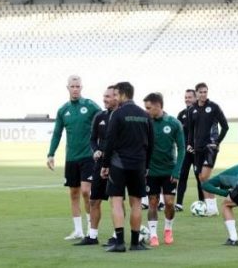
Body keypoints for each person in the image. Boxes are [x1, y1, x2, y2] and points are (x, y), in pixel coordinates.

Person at [46, 75, 101, 241]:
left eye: (78, 86)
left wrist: (101, 145)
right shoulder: (63, 110)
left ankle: (91, 229)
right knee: (74, 193)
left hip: (88, 156)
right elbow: (57, 133)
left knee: (86, 191)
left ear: (81, 87)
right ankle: (78, 230)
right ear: (67, 88)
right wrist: (51, 154)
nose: (75, 89)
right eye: (72, 86)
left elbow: (105, 121)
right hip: (71, 158)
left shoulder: (90, 105)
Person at [100, 81, 153, 253]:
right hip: (139, 165)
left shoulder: (117, 114)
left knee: (116, 202)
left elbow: (109, 141)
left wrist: (105, 164)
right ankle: (136, 243)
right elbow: (152, 143)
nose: (115, 97)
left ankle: (120, 242)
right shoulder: (145, 115)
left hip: (119, 164)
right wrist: (146, 165)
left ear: (123, 94)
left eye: (116, 94)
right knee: (136, 203)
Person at [76, 85, 118, 246]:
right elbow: (93, 139)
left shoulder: (121, 117)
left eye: (108, 96)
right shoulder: (99, 116)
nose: (104, 99)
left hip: (116, 164)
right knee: (94, 200)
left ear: (116, 97)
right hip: (100, 164)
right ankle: (92, 236)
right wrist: (96, 150)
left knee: (116, 201)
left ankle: (116, 235)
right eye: (104, 96)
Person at [142, 92, 184, 247]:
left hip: (169, 171)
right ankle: (153, 235)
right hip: (151, 171)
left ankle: (168, 229)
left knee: (169, 203)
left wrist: (177, 170)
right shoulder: (146, 122)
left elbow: (182, 148)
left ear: (158, 106)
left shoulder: (174, 123)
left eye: (148, 108)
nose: (146, 111)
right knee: (152, 202)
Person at [186, 83, 228, 217]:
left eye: (205, 92)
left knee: (204, 176)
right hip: (197, 149)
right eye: (201, 92)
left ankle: (212, 207)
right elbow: (191, 130)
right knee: (201, 178)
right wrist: (189, 144)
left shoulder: (214, 107)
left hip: (210, 148)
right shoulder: (191, 110)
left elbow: (225, 126)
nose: (203, 94)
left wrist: (217, 142)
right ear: (196, 93)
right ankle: (211, 208)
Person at [174, 89, 202, 210]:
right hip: (185, 152)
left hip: (197, 152)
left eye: (190, 97)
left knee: (199, 177)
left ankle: (202, 203)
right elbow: (177, 133)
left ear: (195, 98)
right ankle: (179, 204)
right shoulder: (181, 114)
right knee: (182, 176)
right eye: (186, 97)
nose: (187, 99)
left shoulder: (201, 113)